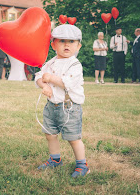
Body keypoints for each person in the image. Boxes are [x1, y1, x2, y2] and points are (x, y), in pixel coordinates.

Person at [35, 24, 89, 178]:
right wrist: (43, 85)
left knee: (73, 137)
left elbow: (67, 82)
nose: (67, 44)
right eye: (62, 41)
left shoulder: (75, 64)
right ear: (53, 45)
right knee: (50, 134)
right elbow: (39, 76)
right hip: (52, 106)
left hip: (69, 107)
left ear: (78, 45)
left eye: (71, 42)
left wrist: (51, 78)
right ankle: (55, 159)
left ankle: (82, 164)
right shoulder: (50, 63)